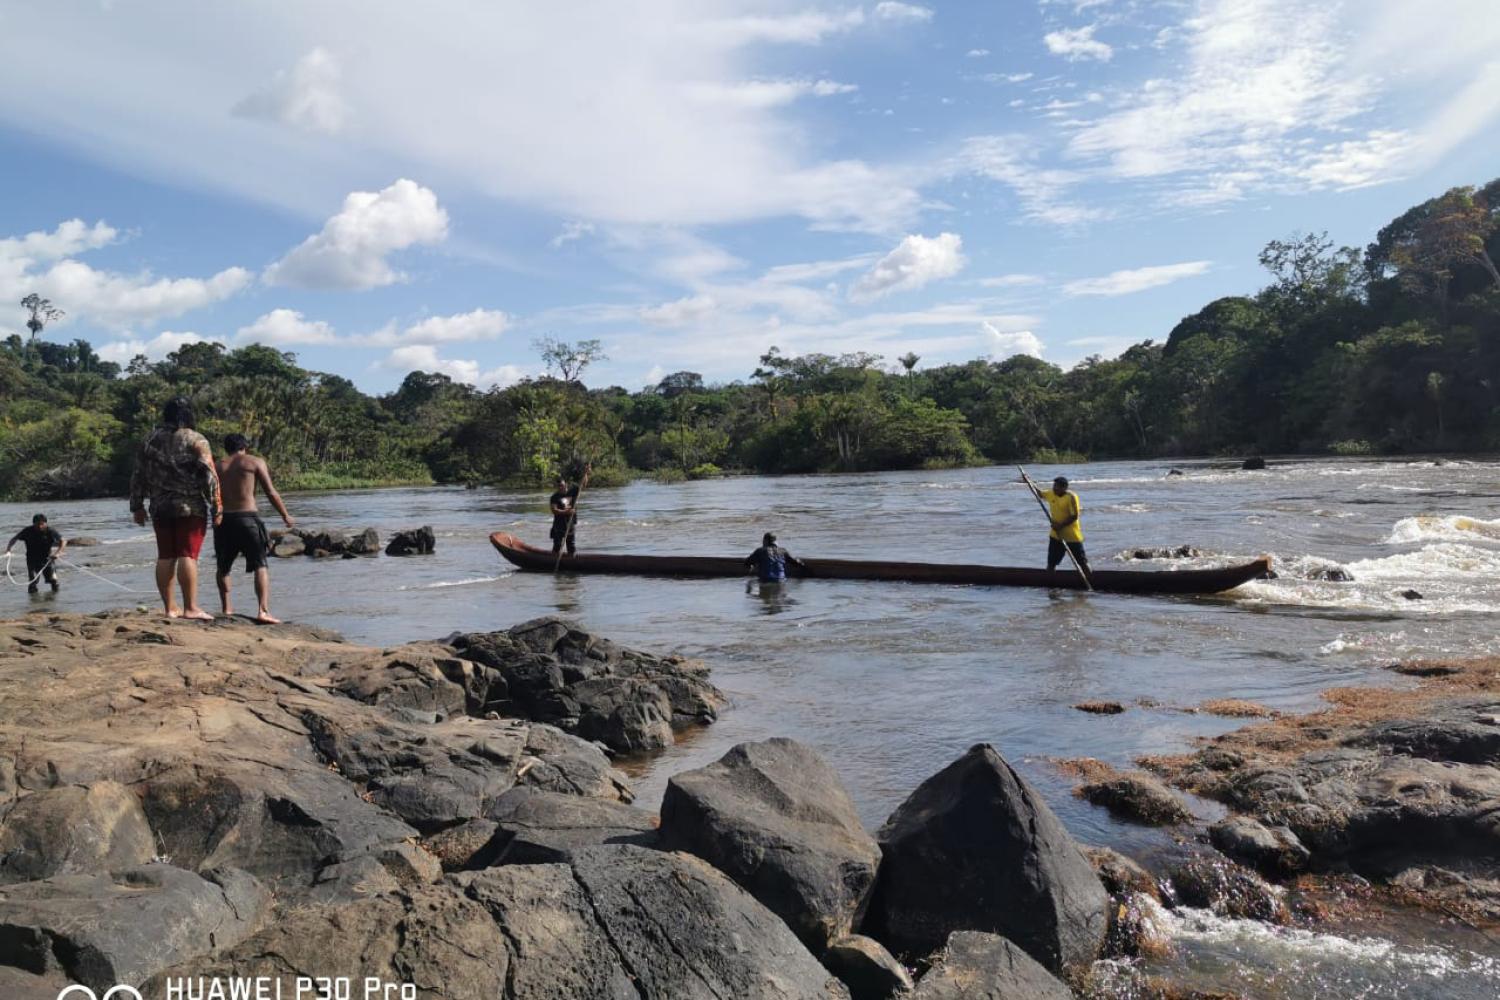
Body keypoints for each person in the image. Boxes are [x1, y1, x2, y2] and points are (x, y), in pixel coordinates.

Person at [129, 397, 222, 620]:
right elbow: (209, 475)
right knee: (187, 555)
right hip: (189, 506)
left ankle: (170, 608)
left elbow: (138, 474)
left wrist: (137, 506)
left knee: (165, 555)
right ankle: (191, 608)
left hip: (159, 506)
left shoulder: (149, 440)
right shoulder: (195, 439)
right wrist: (217, 505)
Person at [214, 433, 294, 624]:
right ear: (244, 446)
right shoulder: (254, 462)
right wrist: (285, 515)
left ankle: (226, 608)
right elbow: (270, 491)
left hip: (224, 521)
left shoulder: (217, 466)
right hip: (247, 518)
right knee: (260, 564)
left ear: (226, 448)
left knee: (223, 567)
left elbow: (210, 494)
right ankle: (263, 610)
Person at [1041, 475, 1090, 575]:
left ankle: (1091, 582)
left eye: (1057, 487)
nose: (1054, 489)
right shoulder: (1051, 493)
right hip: (1056, 535)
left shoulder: (1071, 497)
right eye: (1054, 486)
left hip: (1072, 536)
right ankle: (1052, 588)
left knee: (1082, 563)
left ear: (1064, 488)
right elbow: (1040, 494)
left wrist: (1060, 526)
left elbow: (1074, 516)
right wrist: (1028, 481)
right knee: (1051, 563)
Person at [6, 514, 65, 593]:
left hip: (48, 559)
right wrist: (8, 550)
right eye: (37, 524)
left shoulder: (50, 531)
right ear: (33, 524)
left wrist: (58, 553)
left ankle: (53, 601)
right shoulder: (27, 531)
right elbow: (14, 539)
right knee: (32, 582)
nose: (40, 526)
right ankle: (33, 602)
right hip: (32, 560)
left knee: (53, 581)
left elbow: (63, 541)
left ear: (45, 523)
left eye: (42, 524)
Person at [549, 465, 590, 556]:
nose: (560, 488)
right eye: (558, 486)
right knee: (557, 547)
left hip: (570, 524)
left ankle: (572, 562)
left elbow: (583, 484)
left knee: (571, 547)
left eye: (562, 485)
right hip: (558, 525)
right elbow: (554, 510)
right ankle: (553, 561)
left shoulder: (573, 491)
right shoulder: (554, 497)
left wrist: (586, 473)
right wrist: (567, 512)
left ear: (566, 484)